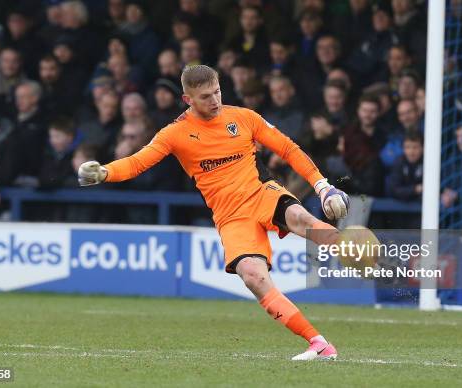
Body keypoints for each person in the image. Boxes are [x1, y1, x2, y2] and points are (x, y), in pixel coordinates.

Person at [78, 65, 350, 361]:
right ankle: (319, 344)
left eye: (218, 92)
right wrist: (105, 172)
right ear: (187, 100)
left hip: (261, 192)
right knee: (253, 277)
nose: (215, 101)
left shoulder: (243, 117)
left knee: (302, 219)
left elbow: (288, 149)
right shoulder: (175, 134)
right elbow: (136, 163)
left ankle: (365, 254)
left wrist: (323, 187)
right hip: (230, 216)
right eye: (206, 96)